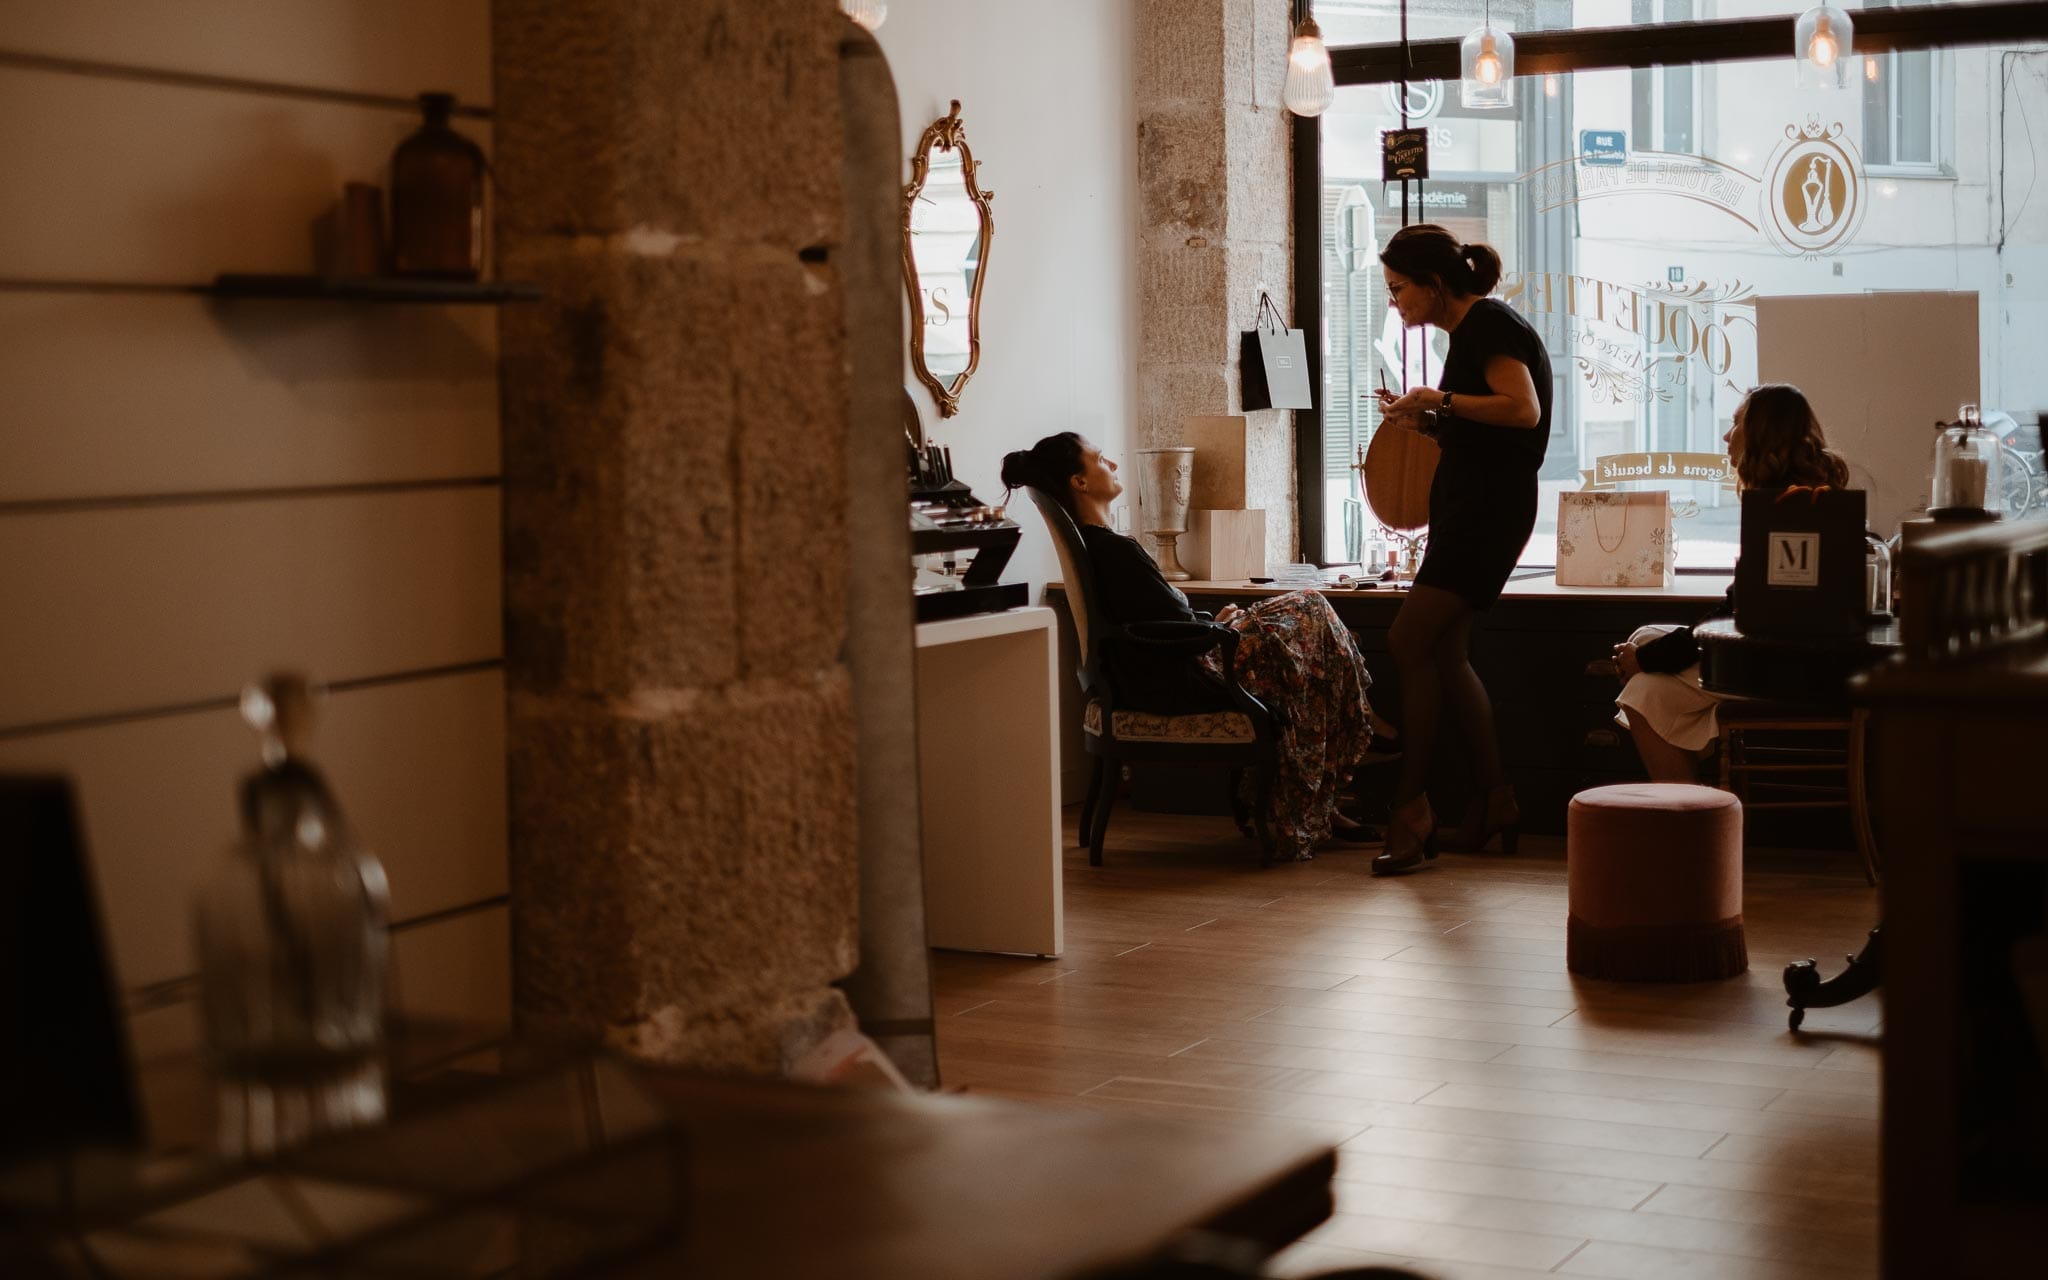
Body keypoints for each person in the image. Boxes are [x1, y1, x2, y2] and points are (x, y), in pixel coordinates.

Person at [1001, 432, 1387, 862]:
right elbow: (1167, 622)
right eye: (1099, 459)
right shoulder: (1113, 550)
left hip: (1163, 662)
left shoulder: (1103, 546)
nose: (1111, 463)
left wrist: (1208, 621)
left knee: (1302, 619)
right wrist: (1212, 624)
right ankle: (1362, 721)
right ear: (1080, 482)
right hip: (1175, 675)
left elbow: (1157, 614)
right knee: (1310, 608)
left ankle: (1341, 757)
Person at [1371, 224, 1552, 874]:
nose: (1394, 303)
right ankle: (1495, 798)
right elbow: (1485, 426)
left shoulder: (1487, 325)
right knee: (1446, 654)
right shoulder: (1472, 331)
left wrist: (1439, 399)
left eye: (1398, 289)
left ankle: (1411, 806)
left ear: (1433, 284)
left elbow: (1522, 409)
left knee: (1406, 642)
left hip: (1485, 513)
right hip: (1471, 509)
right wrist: (1430, 420)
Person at [1613, 383, 1853, 781]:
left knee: (1642, 690)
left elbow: (1742, 610)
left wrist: (1648, 661)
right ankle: (1698, 819)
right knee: (1644, 645)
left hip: (1783, 666)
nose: (1727, 435)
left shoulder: (1785, 507)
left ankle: (1693, 826)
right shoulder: (1807, 498)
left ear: (1762, 433)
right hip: (1788, 655)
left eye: (1737, 422)